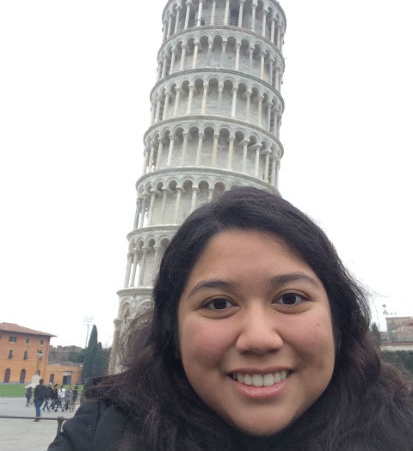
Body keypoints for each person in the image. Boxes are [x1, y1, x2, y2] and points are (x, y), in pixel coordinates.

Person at [48, 187, 413, 450]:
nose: (258, 338)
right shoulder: (99, 435)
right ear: (172, 332)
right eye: (219, 304)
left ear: (338, 320)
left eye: (290, 298)